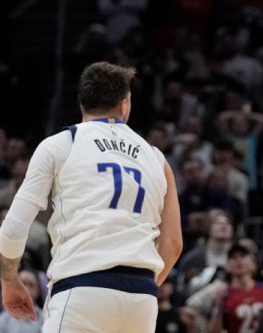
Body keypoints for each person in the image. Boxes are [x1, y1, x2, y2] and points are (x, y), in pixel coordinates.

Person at [0, 62, 183, 332]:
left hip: (82, 287)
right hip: (141, 297)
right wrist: (136, 290)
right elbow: (173, 244)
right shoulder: (157, 158)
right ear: (124, 105)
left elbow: (14, 228)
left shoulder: (61, 144)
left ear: (82, 103)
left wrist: (9, 280)